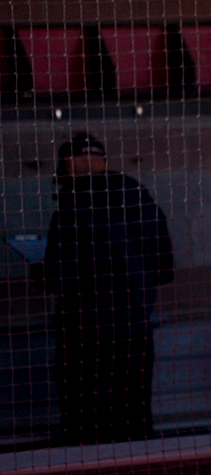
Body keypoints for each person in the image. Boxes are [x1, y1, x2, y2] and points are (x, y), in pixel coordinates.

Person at [42, 132, 174, 445]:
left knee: (83, 415)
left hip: (84, 328)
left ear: (68, 164)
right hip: (135, 325)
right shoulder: (140, 197)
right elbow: (164, 267)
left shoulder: (73, 206)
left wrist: (40, 268)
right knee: (133, 409)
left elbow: (58, 276)